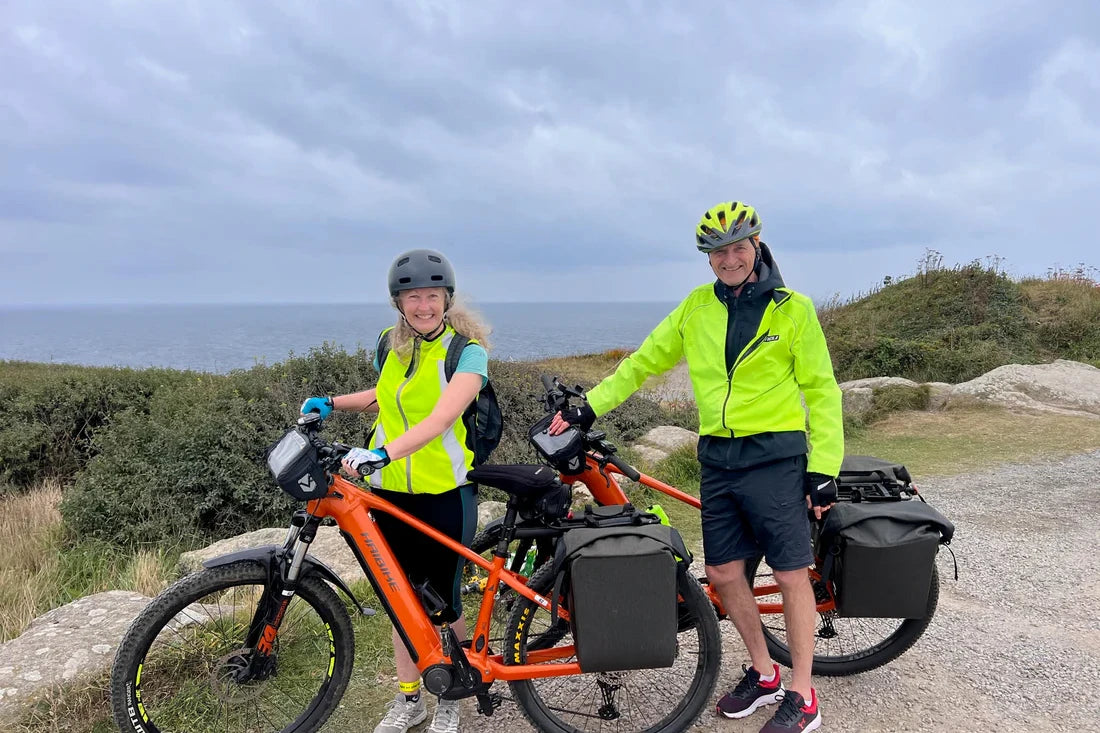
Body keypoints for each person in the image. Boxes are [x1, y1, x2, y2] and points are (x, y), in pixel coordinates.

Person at [549, 201, 843, 733]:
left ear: (756, 246)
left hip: (776, 456)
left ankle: (803, 693)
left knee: (790, 573)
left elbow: (822, 391)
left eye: (737, 248)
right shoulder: (696, 308)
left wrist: (823, 466)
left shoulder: (792, 309)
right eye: (717, 252)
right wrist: (588, 405)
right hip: (719, 460)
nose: (729, 259)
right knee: (723, 574)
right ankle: (764, 672)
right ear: (708, 259)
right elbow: (643, 362)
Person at [300, 248, 490, 733]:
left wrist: (384, 453)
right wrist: (332, 402)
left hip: (446, 494)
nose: (422, 305)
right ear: (398, 303)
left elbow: (443, 416)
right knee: (399, 598)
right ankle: (409, 701)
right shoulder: (390, 343)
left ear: (446, 299)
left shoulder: (466, 351)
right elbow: (383, 398)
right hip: (388, 495)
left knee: (445, 605)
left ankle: (452, 696)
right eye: (412, 297)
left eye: (431, 296)